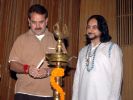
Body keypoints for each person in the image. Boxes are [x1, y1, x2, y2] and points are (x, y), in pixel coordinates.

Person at [9, 4, 66, 100]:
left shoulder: (57, 40)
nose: (38, 26)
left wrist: (48, 71)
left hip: (49, 94)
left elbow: (63, 65)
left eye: (41, 22)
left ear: (47, 21)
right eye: (34, 22)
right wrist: (28, 69)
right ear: (29, 22)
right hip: (24, 93)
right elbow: (12, 65)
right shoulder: (21, 39)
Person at [72, 15, 123, 100]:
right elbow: (77, 79)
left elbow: (117, 79)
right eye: (88, 27)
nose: (90, 30)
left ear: (102, 29)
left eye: (94, 27)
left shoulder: (112, 48)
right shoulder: (82, 51)